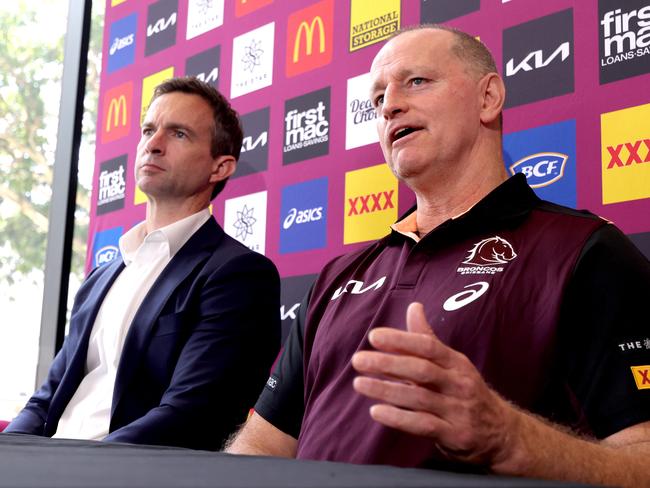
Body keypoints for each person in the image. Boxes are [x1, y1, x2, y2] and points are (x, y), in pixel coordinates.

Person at [226, 26, 650, 485]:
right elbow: (262, 445)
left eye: (417, 82)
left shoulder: (585, 252)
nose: (389, 105)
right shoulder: (336, 276)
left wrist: (513, 439)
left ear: (488, 97)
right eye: (377, 99)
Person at [5, 77, 281, 451]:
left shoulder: (239, 275)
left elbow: (191, 415)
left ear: (220, 167)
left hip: (121, 475)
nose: (153, 144)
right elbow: (46, 399)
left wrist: (73, 470)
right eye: (148, 130)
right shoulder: (101, 276)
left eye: (178, 134)